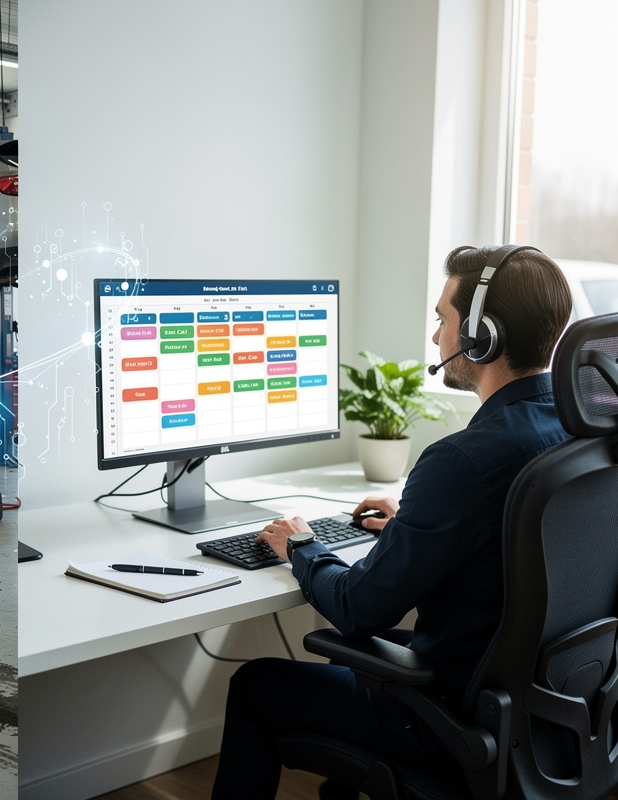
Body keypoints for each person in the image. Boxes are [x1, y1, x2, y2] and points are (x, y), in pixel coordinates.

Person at [211, 245, 574, 799]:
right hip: (552, 714)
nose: (436, 339)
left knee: (257, 685)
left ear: (483, 336)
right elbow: (513, 539)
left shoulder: (464, 460)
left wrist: (303, 546)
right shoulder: (575, 433)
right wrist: (418, 528)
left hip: (458, 720)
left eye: (443, 321)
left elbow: (358, 609)